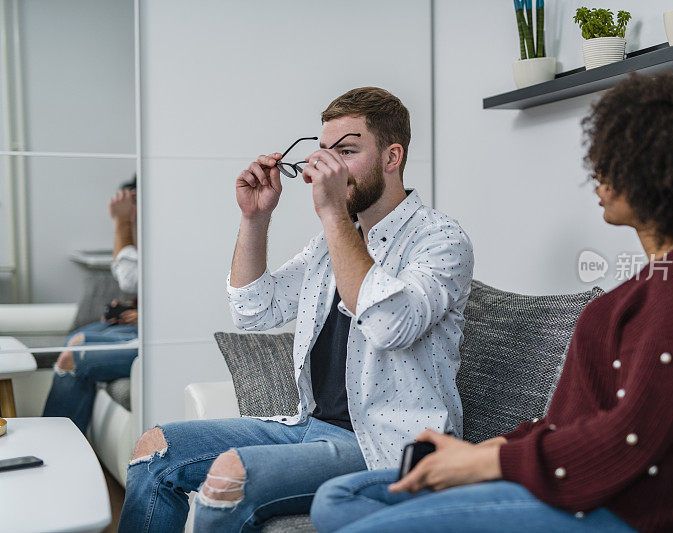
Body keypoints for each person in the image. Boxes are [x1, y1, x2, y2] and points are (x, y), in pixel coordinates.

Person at [309, 72, 673, 533]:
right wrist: (486, 449)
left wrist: (486, 460)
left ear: (661, 171)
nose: (597, 173)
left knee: (353, 517)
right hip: (571, 485)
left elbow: (630, 439)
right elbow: (572, 422)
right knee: (340, 501)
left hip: (620, 510)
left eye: (616, 159)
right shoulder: (660, 280)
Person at [119, 87, 474, 532]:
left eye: (347, 151)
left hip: (388, 445)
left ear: (392, 156)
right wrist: (255, 218)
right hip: (311, 426)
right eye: (324, 152)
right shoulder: (330, 245)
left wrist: (333, 216)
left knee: (228, 477)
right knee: (156, 450)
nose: (329, 168)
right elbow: (253, 310)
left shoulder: (440, 240)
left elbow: (388, 324)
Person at [42, 179, 139, 434]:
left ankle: (58, 444)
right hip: (143, 327)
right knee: (75, 339)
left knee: (72, 357)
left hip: (158, 338)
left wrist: (121, 223)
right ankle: (68, 444)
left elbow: (129, 278)